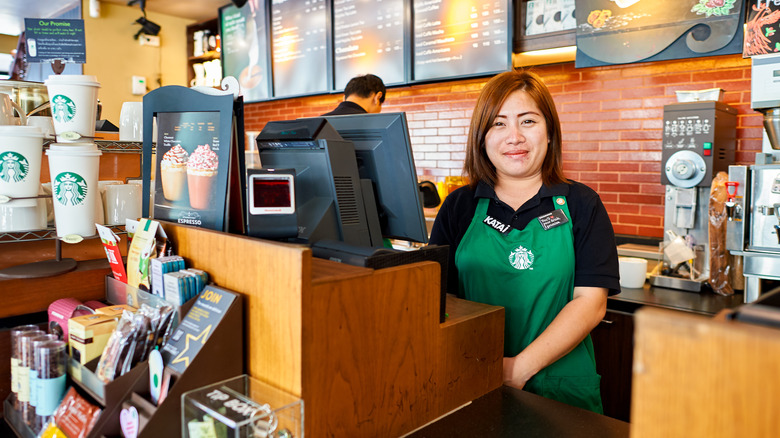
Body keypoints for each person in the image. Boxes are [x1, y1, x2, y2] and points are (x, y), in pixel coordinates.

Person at [428, 70, 620, 414]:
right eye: (498, 124)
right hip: (472, 378)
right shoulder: (460, 206)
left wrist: (518, 368)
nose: (513, 137)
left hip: (561, 388)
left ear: (549, 132)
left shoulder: (582, 204)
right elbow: (441, 298)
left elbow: (591, 304)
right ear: (482, 138)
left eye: (527, 121)